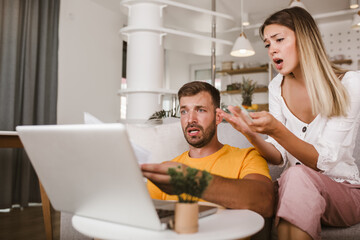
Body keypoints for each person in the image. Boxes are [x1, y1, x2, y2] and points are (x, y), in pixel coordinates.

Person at [218, 7, 360, 240]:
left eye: (279, 40)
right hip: (295, 188)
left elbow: (324, 161)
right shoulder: (277, 86)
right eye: (267, 44)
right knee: (257, 191)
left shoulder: (349, 84)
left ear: (304, 39)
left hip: (344, 192)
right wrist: (250, 134)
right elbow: (278, 156)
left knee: (296, 175)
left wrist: (277, 129)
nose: (272, 49)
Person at [141, 81, 274, 218]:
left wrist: (192, 181)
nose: (190, 119)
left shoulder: (247, 157)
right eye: (184, 111)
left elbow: (265, 201)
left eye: (200, 110)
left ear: (218, 117)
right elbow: (143, 217)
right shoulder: (167, 171)